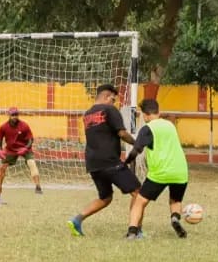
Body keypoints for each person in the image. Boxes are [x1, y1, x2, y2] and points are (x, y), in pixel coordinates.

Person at [66, 83, 139, 237]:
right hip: (110, 161)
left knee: (105, 197)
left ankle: (77, 220)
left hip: (93, 163)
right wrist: (136, 143)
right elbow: (122, 133)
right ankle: (135, 230)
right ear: (107, 96)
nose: (114, 102)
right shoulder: (110, 110)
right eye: (113, 99)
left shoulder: (87, 114)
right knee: (138, 193)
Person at [123, 99, 190, 240]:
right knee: (175, 200)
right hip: (180, 170)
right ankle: (175, 218)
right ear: (158, 112)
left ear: (145, 115)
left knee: (140, 202)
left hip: (160, 172)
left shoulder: (148, 128)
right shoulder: (170, 125)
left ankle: (132, 232)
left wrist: (127, 161)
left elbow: (137, 149)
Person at [0, 106, 43, 194]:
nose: (15, 117)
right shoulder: (4, 127)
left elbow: (30, 139)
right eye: (13, 115)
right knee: (2, 167)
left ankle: (38, 187)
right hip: (10, 149)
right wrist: (0, 150)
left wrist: (25, 148)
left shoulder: (24, 125)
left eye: (16, 114)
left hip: (24, 147)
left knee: (32, 163)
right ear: (9, 115)